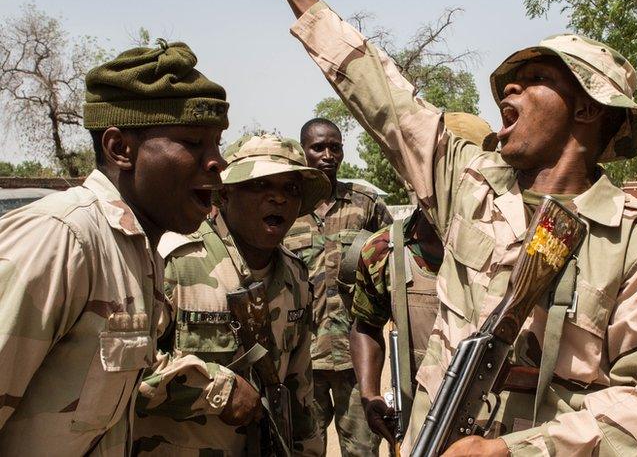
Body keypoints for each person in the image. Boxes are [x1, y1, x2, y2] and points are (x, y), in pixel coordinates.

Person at [236, 0, 637, 455]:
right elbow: (382, 94)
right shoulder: (470, 184)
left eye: (537, 81)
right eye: (509, 83)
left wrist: (515, 450)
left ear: (587, 109)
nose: (509, 92)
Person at [0, 41, 233, 454]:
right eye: (193, 143)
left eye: (217, 144)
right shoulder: (64, 239)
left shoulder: (136, 249)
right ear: (120, 149)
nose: (217, 162)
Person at [133, 134, 328, 455]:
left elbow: (299, 389)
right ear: (223, 195)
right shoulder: (174, 262)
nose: (278, 199)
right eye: (260, 185)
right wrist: (218, 390)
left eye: (290, 189)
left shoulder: (295, 275)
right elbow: (126, 373)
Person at [348, 113, 498, 444]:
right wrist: (370, 394)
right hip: (421, 426)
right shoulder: (384, 251)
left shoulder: (516, 250)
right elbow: (366, 325)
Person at [283, 116, 393, 456]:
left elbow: (392, 255)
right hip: (302, 360)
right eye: (318, 147)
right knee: (301, 449)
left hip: (356, 358)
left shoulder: (366, 203)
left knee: (363, 451)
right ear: (303, 153)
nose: (328, 155)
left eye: (335, 147)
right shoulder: (287, 207)